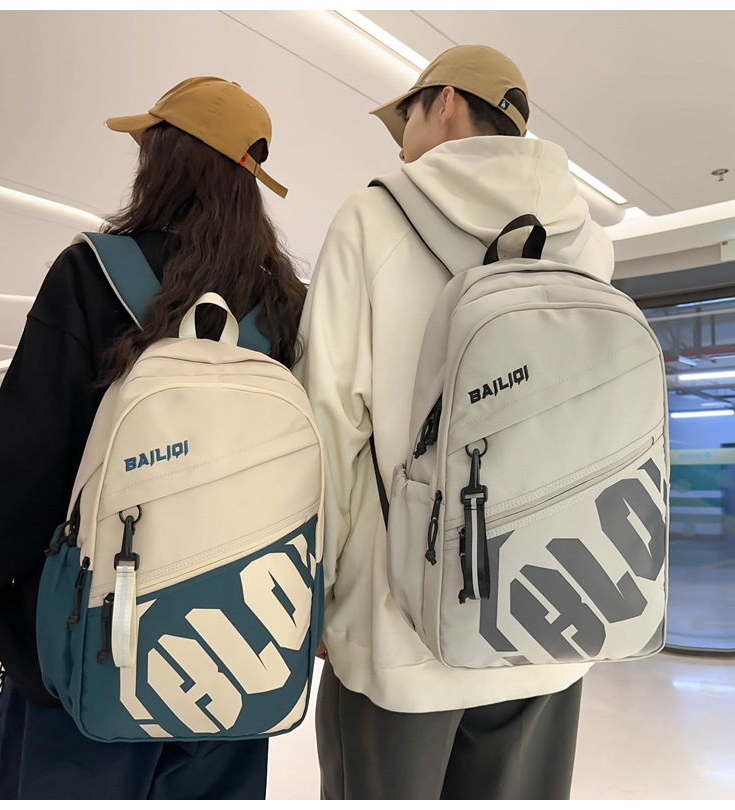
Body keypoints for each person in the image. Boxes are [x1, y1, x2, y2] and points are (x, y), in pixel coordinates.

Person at [0, 76, 307, 800]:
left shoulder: (92, 274)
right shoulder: (283, 306)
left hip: (92, 646)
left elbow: (28, 451)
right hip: (233, 654)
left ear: (165, 159)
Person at [295, 45, 615, 800]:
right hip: (551, 615)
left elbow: (329, 424)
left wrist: (315, 594)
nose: (400, 143)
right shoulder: (587, 240)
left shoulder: (372, 218)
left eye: (404, 118)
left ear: (443, 103)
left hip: (400, 629)